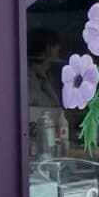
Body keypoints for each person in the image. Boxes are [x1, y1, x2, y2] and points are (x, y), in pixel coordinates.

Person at [27, 27, 69, 157]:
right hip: (37, 146)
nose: (59, 48)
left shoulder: (48, 77)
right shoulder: (28, 79)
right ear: (44, 49)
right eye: (54, 45)